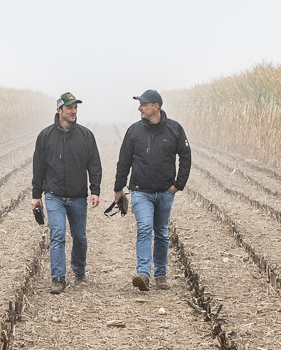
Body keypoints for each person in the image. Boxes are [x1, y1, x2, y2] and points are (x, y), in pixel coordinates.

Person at [111, 89, 191, 291]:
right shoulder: (134, 131)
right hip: (140, 191)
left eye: (143, 104)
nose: (139, 108)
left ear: (156, 106)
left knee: (162, 233)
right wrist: (118, 188)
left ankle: (161, 275)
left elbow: (186, 156)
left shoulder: (175, 129)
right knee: (145, 228)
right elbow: (124, 161)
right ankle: (144, 274)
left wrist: (177, 184)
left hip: (165, 191)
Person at [29, 93, 102, 293]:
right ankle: (58, 278)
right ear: (59, 110)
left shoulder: (86, 136)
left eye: (75, 108)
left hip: (78, 196)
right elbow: (38, 167)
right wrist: (37, 196)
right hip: (54, 196)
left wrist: (94, 189)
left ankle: (79, 270)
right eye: (69, 108)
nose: (73, 111)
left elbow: (94, 164)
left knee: (79, 237)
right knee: (58, 234)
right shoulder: (45, 136)